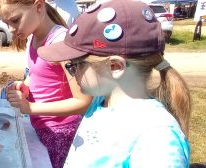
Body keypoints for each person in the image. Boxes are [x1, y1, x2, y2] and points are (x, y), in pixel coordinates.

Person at [34, 0, 191, 166]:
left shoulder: (157, 139)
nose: (71, 74)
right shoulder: (100, 103)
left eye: (74, 66)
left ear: (115, 67)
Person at [0, 0, 92, 167]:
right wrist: (24, 86)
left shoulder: (60, 42)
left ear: (38, 6)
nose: (10, 29)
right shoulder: (34, 38)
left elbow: (83, 101)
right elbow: (38, 75)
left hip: (60, 134)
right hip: (42, 129)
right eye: (6, 23)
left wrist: (30, 108)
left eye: (15, 20)